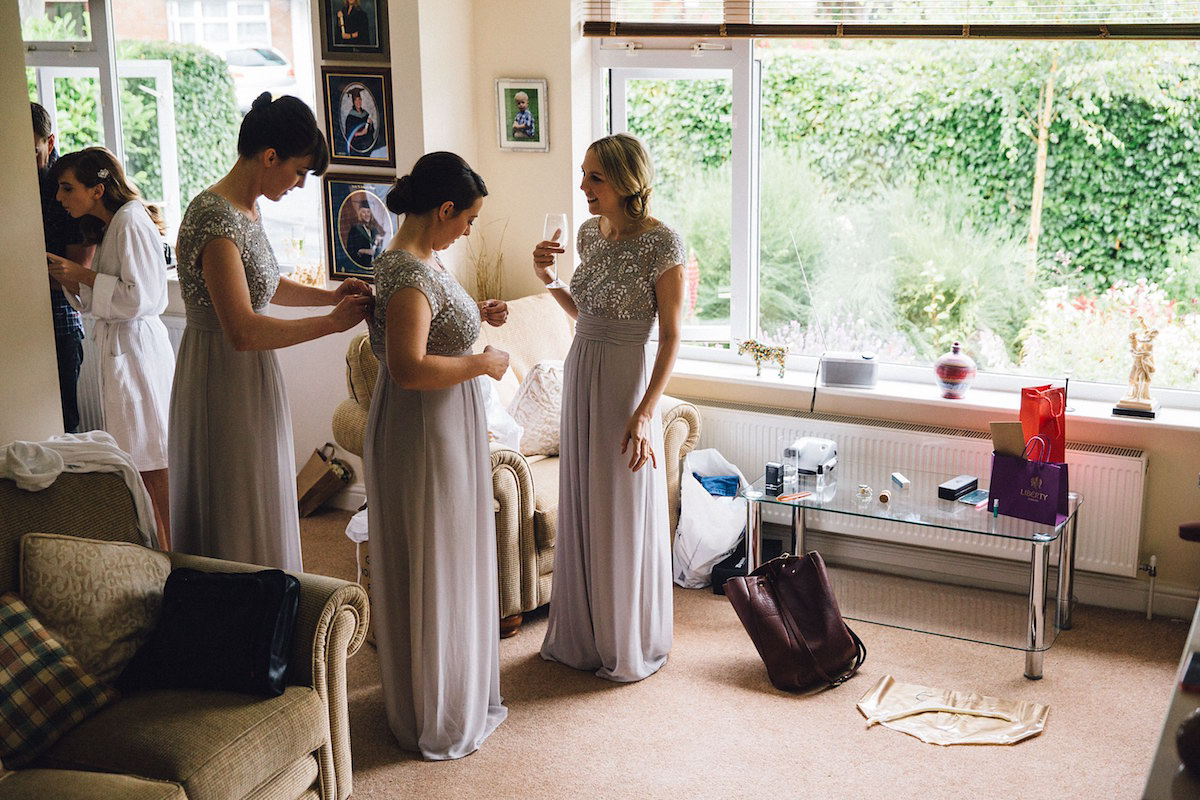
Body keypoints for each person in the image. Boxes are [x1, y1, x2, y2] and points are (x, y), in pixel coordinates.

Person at [169, 93, 372, 572]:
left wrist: (330, 296)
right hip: (221, 374)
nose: (300, 184)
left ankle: (269, 596)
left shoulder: (247, 210)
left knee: (260, 486)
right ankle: (237, 611)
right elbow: (240, 329)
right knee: (235, 497)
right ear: (269, 156)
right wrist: (330, 324)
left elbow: (263, 284)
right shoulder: (216, 220)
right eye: (299, 171)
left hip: (251, 372)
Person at [365, 151, 510, 759]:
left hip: (445, 422)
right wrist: (482, 362)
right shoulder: (404, 271)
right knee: (433, 553)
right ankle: (434, 705)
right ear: (444, 209)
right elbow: (407, 367)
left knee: (448, 552)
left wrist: (476, 315)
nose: (469, 231)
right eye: (468, 220)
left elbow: (427, 330)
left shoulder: (422, 262)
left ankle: (449, 688)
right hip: (423, 427)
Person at [535, 133, 685, 682]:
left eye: (594, 177)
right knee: (584, 497)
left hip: (627, 381)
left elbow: (670, 338)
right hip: (582, 371)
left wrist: (647, 412)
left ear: (626, 181)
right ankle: (586, 633)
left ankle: (627, 636)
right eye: (583, 174)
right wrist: (548, 279)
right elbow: (585, 312)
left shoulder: (663, 243)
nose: (583, 186)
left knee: (621, 504)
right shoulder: (588, 235)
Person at [47, 147, 175, 551]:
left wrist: (81, 274)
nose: (59, 197)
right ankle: (156, 547)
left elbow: (141, 296)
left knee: (151, 458)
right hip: (123, 348)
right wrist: (71, 280)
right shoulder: (112, 225)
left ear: (98, 189)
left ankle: (171, 550)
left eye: (68, 188)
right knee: (138, 457)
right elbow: (105, 294)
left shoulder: (130, 221)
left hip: (136, 351)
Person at [33, 102, 93, 434]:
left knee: (65, 423)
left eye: (34, 151)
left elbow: (78, 273)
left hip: (60, 321)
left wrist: (24, 273)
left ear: (50, 142)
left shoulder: (73, 187)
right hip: (19, 318)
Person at [345, 198, 382, 267]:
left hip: (374, 266)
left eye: (368, 212)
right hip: (361, 265)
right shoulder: (355, 230)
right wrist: (365, 251)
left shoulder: (374, 229)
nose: (367, 214)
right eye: (363, 212)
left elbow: (378, 250)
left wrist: (379, 244)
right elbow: (351, 251)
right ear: (359, 214)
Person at [343, 87, 375, 155]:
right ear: (353, 102)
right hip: (357, 144)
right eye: (356, 100)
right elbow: (349, 134)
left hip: (367, 143)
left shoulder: (365, 114)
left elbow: (371, 131)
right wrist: (361, 133)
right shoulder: (350, 117)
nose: (358, 102)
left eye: (360, 99)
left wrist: (370, 124)